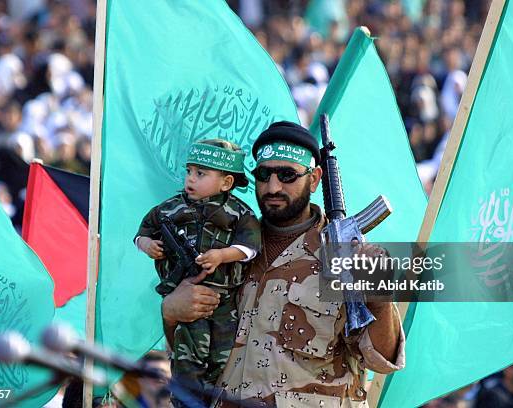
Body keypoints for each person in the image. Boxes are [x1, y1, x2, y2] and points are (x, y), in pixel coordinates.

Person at [162, 121, 405, 407]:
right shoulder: (226, 245)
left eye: (287, 175)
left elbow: (381, 359)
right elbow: (189, 342)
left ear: (314, 179)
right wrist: (170, 312)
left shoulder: (345, 255)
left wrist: (379, 301)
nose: (273, 187)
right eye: (264, 175)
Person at [134, 139, 261, 406]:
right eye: (189, 171)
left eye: (200, 173)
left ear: (226, 183)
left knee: (223, 360)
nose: (191, 179)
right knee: (187, 360)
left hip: (224, 302)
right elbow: (143, 231)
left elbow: (250, 248)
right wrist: (148, 245)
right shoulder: (170, 208)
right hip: (184, 300)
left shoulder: (239, 213)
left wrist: (222, 255)